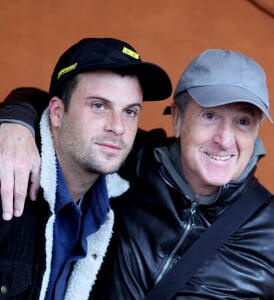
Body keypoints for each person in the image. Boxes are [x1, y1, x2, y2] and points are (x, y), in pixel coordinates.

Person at [0, 49, 274, 299]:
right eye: (209, 116)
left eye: (243, 122)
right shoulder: (134, 163)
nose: (224, 138)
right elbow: (69, 115)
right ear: (178, 120)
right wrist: (15, 120)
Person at [0, 37, 172, 299]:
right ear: (56, 112)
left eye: (130, 111)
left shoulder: (126, 194)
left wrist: (15, 113)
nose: (118, 127)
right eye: (99, 106)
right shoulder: (8, 175)